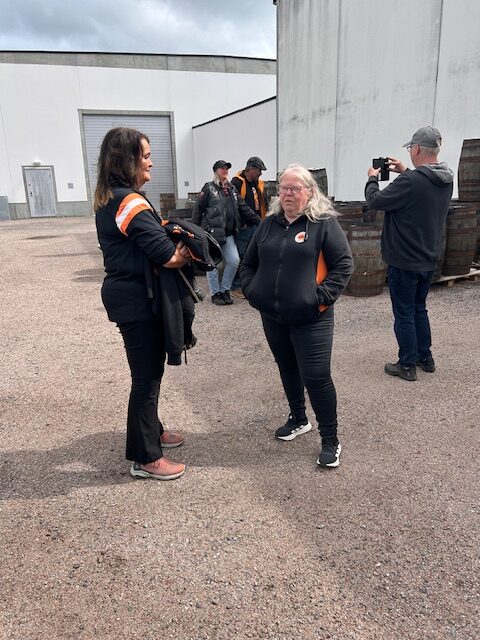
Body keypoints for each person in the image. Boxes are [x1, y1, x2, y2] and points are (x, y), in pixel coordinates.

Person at [239, 164, 354, 468]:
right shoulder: (268, 224)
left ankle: (330, 439)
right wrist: (253, 291)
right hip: (273, 316)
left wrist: (318, 300)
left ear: (310, 192)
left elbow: (344, 266)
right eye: (283, 188)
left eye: (294, 188)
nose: (287, 193)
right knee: (288, 368)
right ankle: (299, 419)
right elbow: (248, 263)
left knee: (316, 377)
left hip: (311, 318)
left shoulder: (323, 224)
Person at [95, 127, 190, 481]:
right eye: (146, 156)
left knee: (150, 372)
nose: (151, 162)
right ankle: (145, 457)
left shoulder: (116, 197)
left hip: (133, 295)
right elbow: (167, 256)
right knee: (146, 377)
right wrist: (183, 253)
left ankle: (154, 430)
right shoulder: (128, 202)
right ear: (127, 160)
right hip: (137, 299)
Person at [365, 126, 454, 381]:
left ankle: (406, 364)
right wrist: (406, 171)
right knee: (418, 309)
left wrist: (372, 178)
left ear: (416, 149)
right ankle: (425, 358)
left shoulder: (411, 182)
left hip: (404, 259)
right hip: (428, 257)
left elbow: (375, 201)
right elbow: (421, 189)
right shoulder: (445, 179)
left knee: (404, 312)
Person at [192, 160, 261, 305]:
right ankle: (216, 294)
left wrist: (261, 221)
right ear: (216, 171)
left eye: (227, 169)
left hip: (228, 234)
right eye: (222, 168)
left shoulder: (231, 189)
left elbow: (244, 208)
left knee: (234, 261)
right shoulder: (208, 188)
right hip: (212, 234)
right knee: (213, 264)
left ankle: (225, 289)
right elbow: (198, 209)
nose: (225, 171)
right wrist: (193, 230)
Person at [230, 156, 268, 298]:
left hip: (256, 224)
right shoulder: (236, 183)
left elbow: (261, 203)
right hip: (244, 227)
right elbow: (236, 206)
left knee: (253, 254)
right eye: (259, 170)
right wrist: (241, 223)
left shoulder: (256, 183)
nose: (261, 173)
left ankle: (248, 282)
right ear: (251, 169)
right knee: (241, 255)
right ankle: (235, 286)